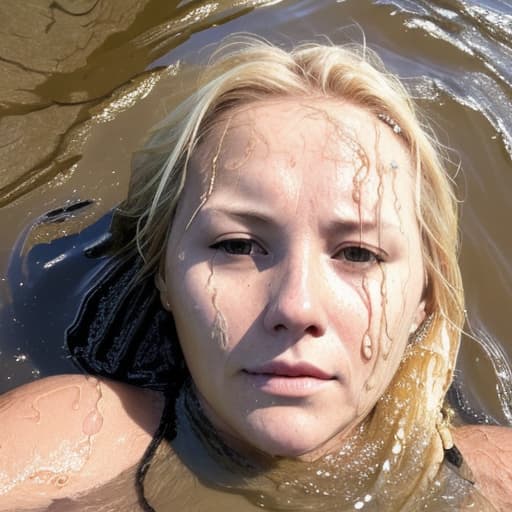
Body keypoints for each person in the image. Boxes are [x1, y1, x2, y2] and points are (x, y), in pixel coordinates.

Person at [1, 36, 512, 512]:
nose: (297, 307)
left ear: (426, 294)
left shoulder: (496, 477)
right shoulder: (69, 443)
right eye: (238, 245)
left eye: (358, 254)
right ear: (163, 274)